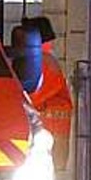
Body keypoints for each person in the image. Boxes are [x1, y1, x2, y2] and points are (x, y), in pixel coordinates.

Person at [23, 15, 75, 171]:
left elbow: (32, 97)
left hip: (47, 131)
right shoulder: (47, 60)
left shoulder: (43, 62)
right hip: (52, 130)